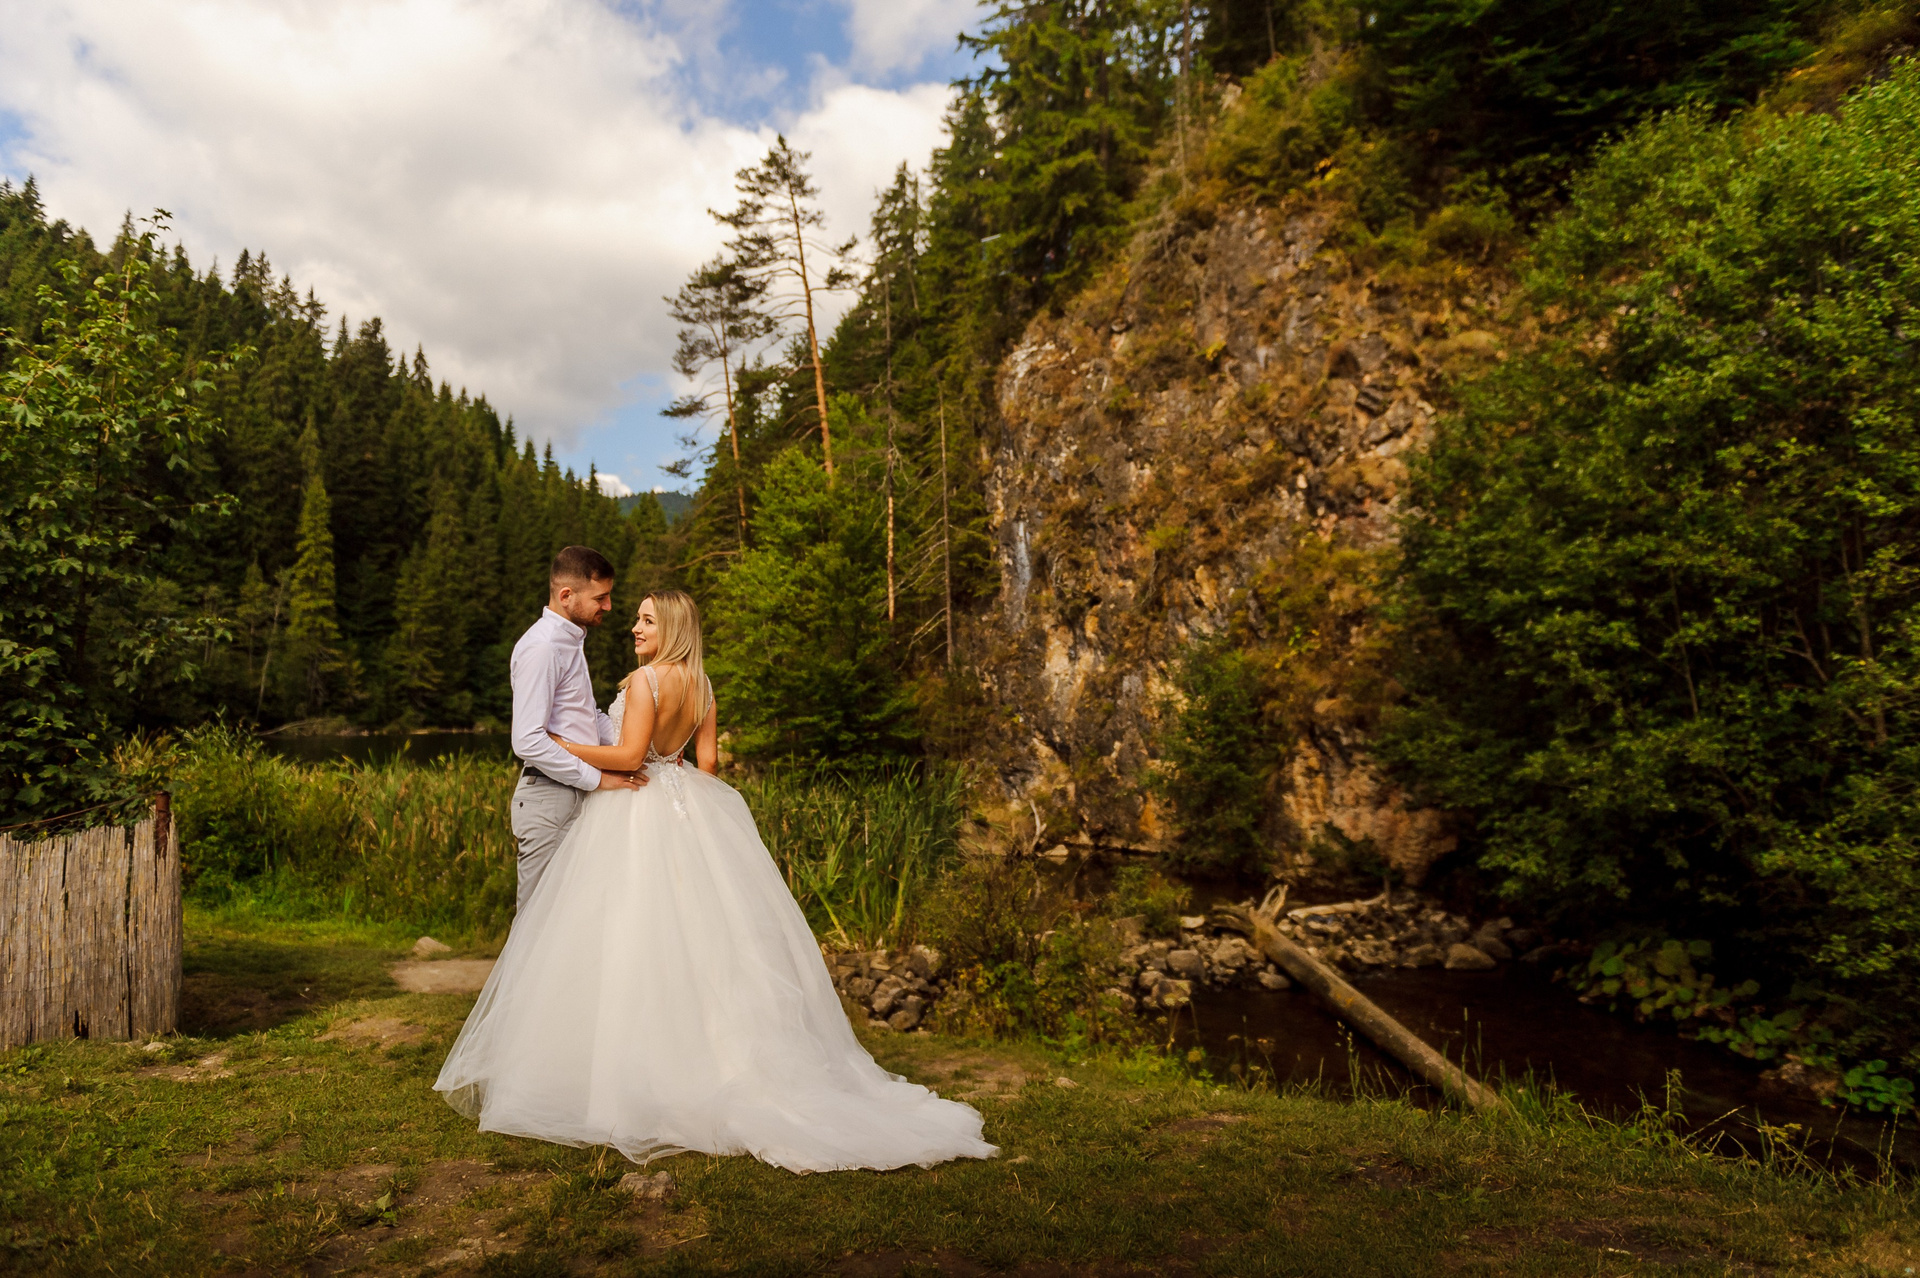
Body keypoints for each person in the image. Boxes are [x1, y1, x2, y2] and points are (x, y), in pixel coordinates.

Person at [437, 590, 995, 1172]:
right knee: (702, 937)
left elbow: (628, 757)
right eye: (636, 619)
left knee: (629, 935)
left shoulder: (646, 681)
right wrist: (671, 771)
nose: (634, 627)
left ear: (672, 629)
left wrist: (558, 744)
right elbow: (707, 765)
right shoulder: (703, 686)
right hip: (685, 807)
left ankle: (621, 1072)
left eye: (647, 620)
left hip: (633, 806)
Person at [507, 546, 642, 915]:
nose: (608, 606)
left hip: (571, 794)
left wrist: (638, 744)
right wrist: (597, 779)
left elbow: (586, 717)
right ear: (566, 595)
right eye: (600, 598)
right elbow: (528, 740)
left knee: (571, 921)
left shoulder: (569, 641)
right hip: (550, 798)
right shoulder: (543, 647)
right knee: (538, 922)